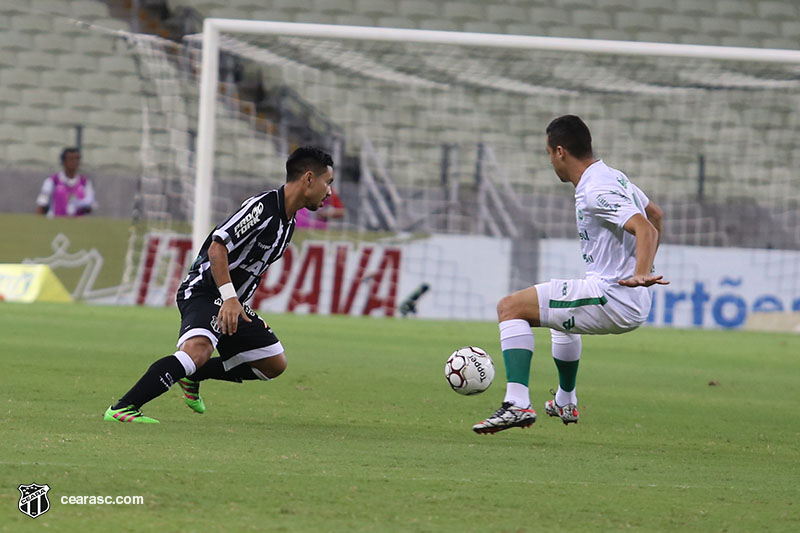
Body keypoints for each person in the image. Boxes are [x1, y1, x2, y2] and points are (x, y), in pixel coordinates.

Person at [104, 146, 334, 423]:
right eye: (328, 183)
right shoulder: (262, 208)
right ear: (309, 179)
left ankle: (193, 375)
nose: (329, 192)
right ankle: (124, 407)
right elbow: (217, 248)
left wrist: (236, 303)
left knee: (273, 363)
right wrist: (229, 298)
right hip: (206, 290)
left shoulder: (288, 222)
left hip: (231, 302)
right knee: (196, 352)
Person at [473, 115, 667, 435]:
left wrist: (641, 272)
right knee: (558, 319)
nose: (550, 161)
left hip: (614, 295)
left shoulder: (596, 189)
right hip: (625, 294)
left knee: (510, 308)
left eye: (548, 153)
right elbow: (656, 213)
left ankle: (517, 403)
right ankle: (565, 400)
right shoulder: (612, 175)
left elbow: (644, 226)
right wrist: (641, 274)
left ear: (561, 152)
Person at [36, 147, 95, 217]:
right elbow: (42, 204)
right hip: (56, 222)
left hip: (78, 223)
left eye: (76, 159)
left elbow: (89, 205)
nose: (74, 162)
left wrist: (78, 204)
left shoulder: (85, 183)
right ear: (63, 161)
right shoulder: (53, 181)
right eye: (71, 159)